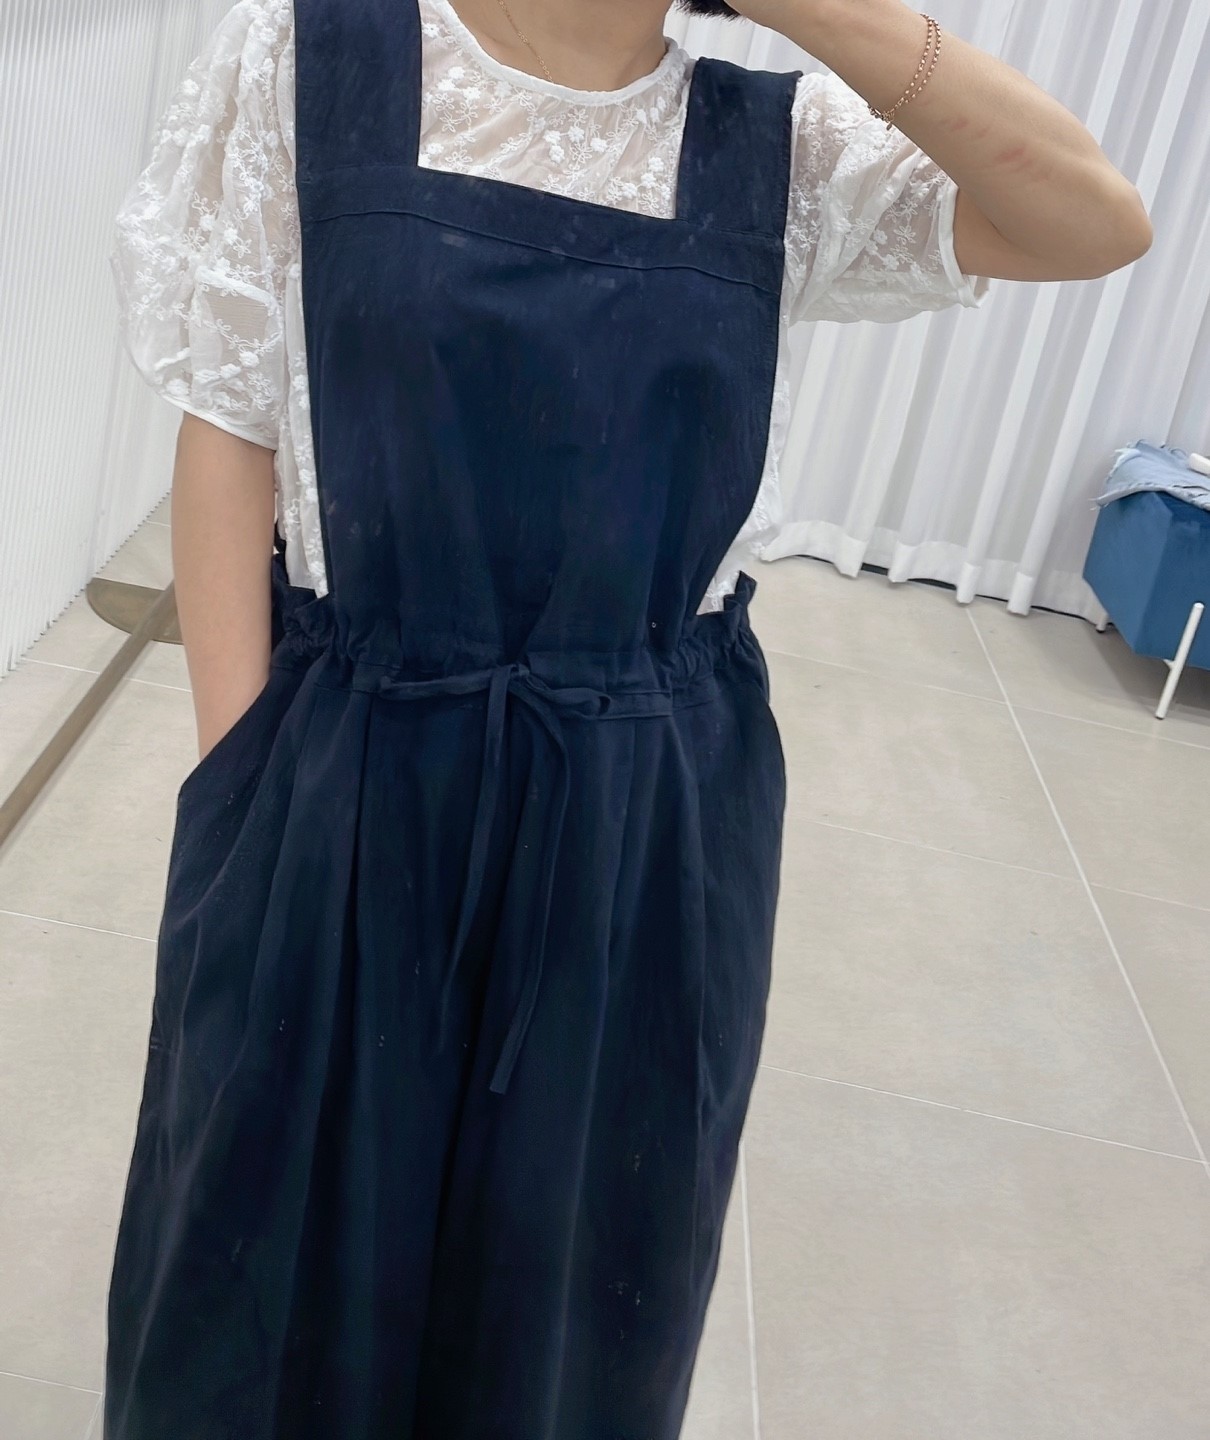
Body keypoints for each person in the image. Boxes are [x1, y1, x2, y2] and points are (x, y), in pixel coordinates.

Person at [102, 0, 1151, 1435]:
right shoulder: (313, 55)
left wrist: (816, 10)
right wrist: (236, 791)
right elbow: (230, 430)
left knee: (567, 1295)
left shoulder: (773, 147)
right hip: (345, 767)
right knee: (265, 1257)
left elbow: (1092, 222)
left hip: (642, 812)